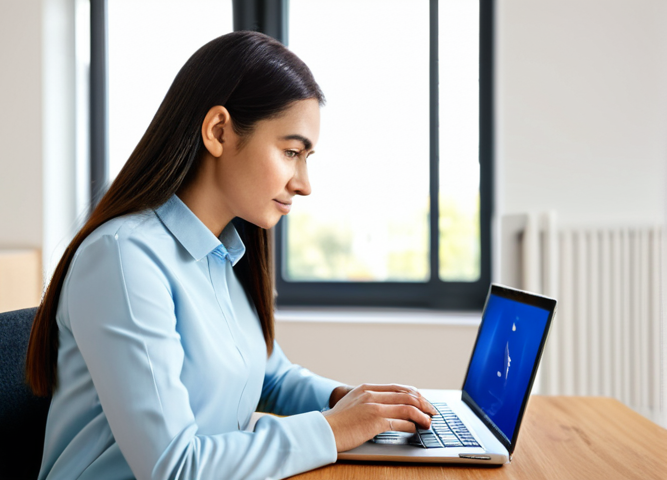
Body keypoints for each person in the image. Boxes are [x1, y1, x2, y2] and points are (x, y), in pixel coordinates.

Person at [26, 31, 436, 480]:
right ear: (218, 132)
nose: (304, 183)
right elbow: (175, 468)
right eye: (291, 152)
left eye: (307, 157)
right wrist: (332, 430)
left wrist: (352, 402)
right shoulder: (124, 259)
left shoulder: (222, 252)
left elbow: (270, 376)